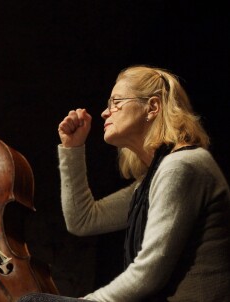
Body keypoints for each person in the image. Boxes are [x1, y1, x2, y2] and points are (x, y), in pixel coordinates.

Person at [19, 65, 230, 301]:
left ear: (152, 107)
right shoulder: (153, 179)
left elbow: (149, 273)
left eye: (116, 102)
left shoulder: (182, 166)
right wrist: (73, 148)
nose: (105, 113)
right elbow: (83, 220)